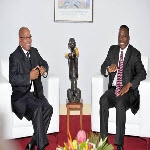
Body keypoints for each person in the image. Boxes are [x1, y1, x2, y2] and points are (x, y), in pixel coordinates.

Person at [100, 25, 146, 150]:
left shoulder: (135, 53)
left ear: (129, 38)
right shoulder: (112, 50)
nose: (121, 38)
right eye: (119, 36)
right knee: (103, 99)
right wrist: (108, 69)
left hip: (128, 92)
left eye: (124, 36)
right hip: (114, 88)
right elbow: (102, 67)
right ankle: (102, 141)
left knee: (120, 102)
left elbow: (142, 73)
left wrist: (129, 84)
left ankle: (119, 144)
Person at [9, 27, 53, 150]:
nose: (29, 40)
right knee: (38, 109)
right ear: (20, 40)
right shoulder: (14, 56)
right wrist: (28, 76)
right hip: (22, 97)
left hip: (36, 95)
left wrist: (44, 70)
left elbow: (44, 63)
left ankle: (32, 143)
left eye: (30, 37)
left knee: (49, 108)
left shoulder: (34, 52)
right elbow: (13, 78)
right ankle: (41, 147)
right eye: (26, 37)